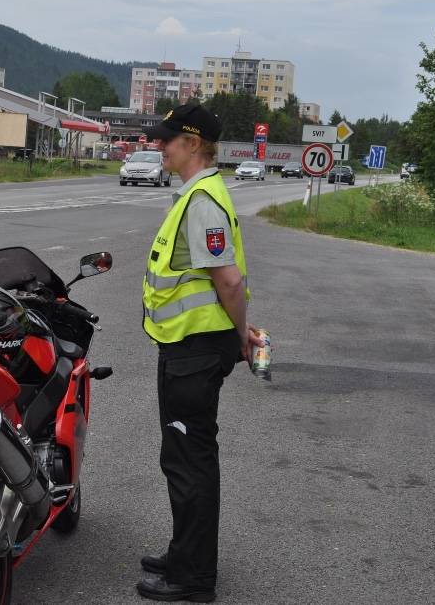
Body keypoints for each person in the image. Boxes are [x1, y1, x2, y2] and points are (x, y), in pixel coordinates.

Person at [136, 104, 265, 603]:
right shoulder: (195, 195)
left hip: (194, 351)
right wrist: (239, 328)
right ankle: (183, 553)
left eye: (168, 140)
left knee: (190, 462)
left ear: (193, 144)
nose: (159, 146)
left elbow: (228, 279)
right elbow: (220, 283)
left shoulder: (203, 200)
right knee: (183, 458)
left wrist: (240, 335)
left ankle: (192, 578)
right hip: (187, 347)